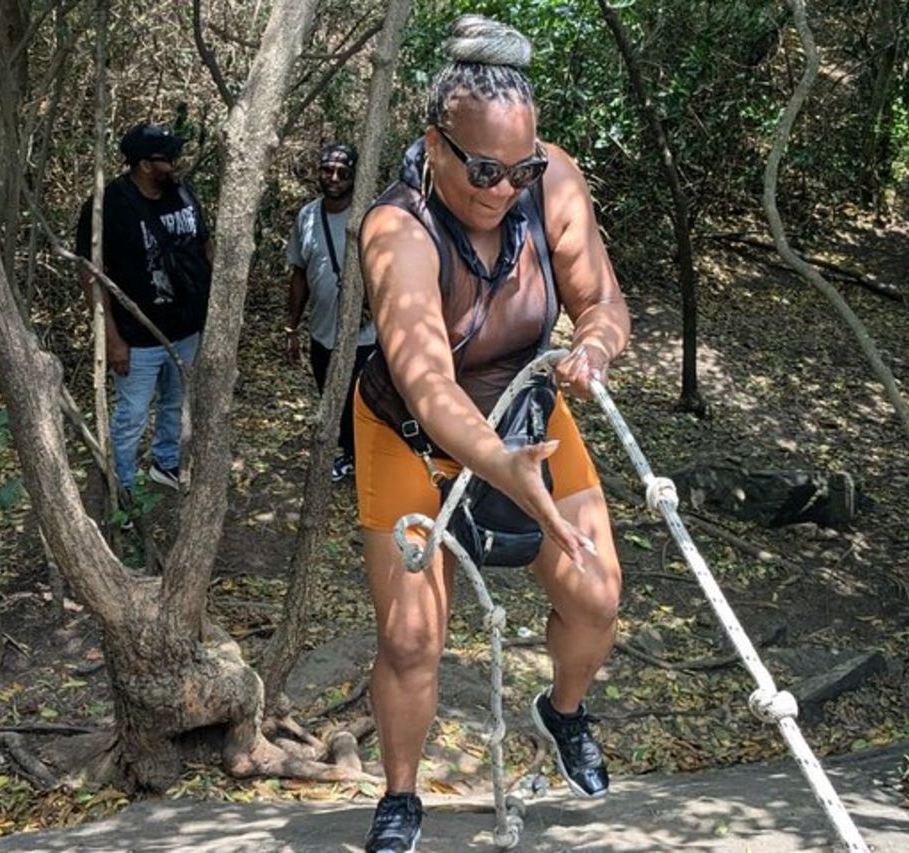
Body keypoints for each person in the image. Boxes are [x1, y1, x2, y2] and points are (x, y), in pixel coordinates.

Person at [354, 15, 630, 853]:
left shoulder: (553, 183)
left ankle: (564, 711)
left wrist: (594, 347)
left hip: (528, 415)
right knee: (411, 637)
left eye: (521, 170)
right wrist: (502, 467)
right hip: (413, 434)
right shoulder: (397, 230)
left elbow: (602, 300)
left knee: (596, 595)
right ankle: (401, 795)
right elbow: (430, 385)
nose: (503, 189)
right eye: (483, 170)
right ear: (434, 144)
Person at [74, 123, 212, 492]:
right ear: (145, 165)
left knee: (176, 402)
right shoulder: (109, 205)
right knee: (132, 414)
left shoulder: (183, 193)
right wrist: (112, 338)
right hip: (137, 336)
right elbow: (90, 273)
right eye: (169, 158)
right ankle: (122, 484)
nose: (176, 164)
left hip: (186, 329)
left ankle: (165, 463)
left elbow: (204, 245)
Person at [284, 143, 377, 483]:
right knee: (330, 394)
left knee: (360, 399)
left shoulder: (372, 215)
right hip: (322, 332)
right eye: (327, 170)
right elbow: (299, 274)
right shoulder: (308, 216)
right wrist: (291, 328)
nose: (333, 177)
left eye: (342, 172)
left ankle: (359, 459)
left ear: (354, 175)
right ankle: (347, 452)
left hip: (366, 335)